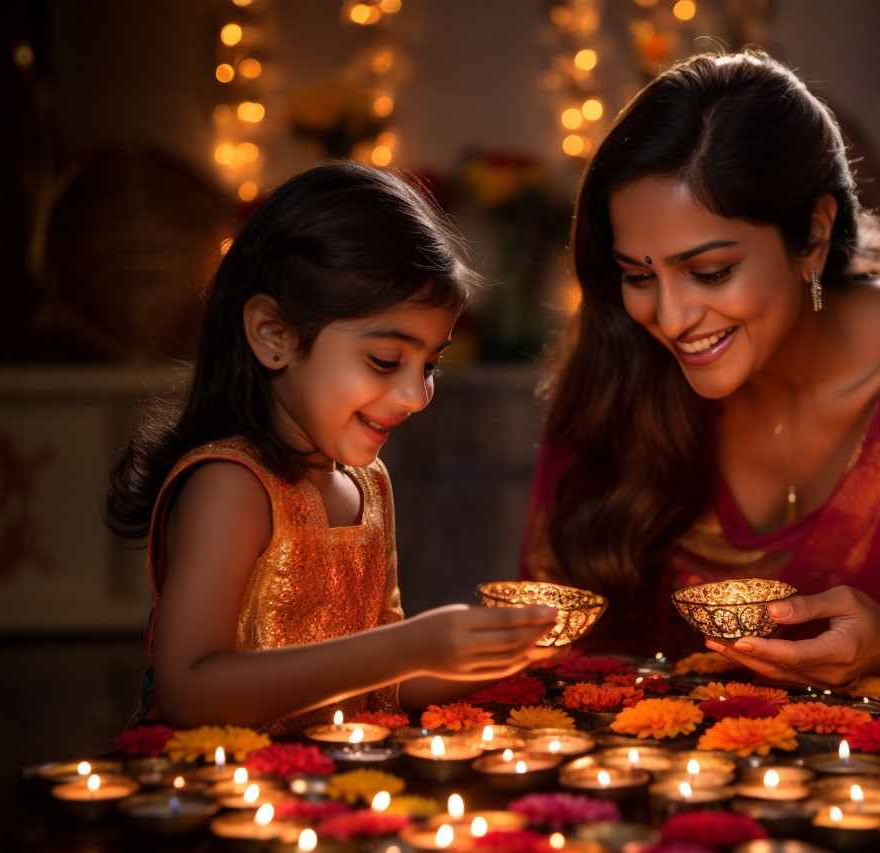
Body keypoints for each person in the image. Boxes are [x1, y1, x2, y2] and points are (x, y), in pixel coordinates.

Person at [519, 50, 880, 699]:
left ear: (813, 233)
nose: (669, 317)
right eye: (638, 276)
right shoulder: (619, 372)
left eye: (710, 271)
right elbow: (550, 654)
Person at [106, 162, 554, 734]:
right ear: (275, 336)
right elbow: (189, 693)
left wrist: (498, 653)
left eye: (430, 365)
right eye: (387, 361)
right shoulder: (232, 484)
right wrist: (406, 647)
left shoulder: (369, 484)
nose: (416, 395)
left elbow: (380, 690)